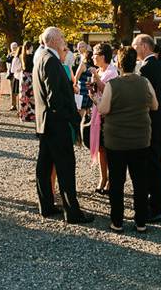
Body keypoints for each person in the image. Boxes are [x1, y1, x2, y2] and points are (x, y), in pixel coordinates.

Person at [93, 45, 158, 233]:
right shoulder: (144, 82)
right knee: (140, 181)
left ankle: (117, 221)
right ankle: (140, 221)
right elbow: (155, 105)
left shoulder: (113, 85)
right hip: (140, 138)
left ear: (119, 64)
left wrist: (96, 100)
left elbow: (104, 109)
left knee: (117, 181)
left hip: (117, 140)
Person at [34, 27, 92, 224]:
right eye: (62, 38)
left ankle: (47, 206)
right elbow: (54, 97)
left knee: (44, 165)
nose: (64, 41)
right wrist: (70, 116)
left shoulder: (40, 57)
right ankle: (72, 212)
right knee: (66, 166)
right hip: (56, 123)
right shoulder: (50, 60)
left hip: (45, 122)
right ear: (54, 40)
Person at [132, 34, 161, 223]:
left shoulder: (147, 68)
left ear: (145, 46)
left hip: (151, 124)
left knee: (153, 166)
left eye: (135, 45)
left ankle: (157, 208)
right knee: (155, 165)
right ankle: (156, 205)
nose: (133, 48)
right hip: (160, 123)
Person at [88, 43, 118, 194]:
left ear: (103, 56)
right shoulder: (99, 70)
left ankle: (111, 180)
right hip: (97, 111)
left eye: (95, 54)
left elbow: (107, 90)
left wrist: (96, 77)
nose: (92, 57)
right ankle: (102, 177)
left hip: (108, 114)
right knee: (101, 148)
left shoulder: (112, 72)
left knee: (109, 148)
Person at [74, 48, 94, 121]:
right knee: (87, 114)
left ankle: (79, 130)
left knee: (80, 114)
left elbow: (76, 78)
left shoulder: (83, 65)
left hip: (82, 92)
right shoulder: (94, 67)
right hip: (90, 91)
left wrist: (75, 87)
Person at [18, 42, 36, 123]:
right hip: (31, 77)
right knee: (31, 97)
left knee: (24, 97)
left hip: (24, 77)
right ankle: (31, 115)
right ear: (30, 47)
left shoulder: (22, 56)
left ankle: (23, 116)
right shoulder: (33, 56)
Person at [7, 42, 21, 112]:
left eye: (15, 47)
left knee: (19, 90)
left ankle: (20, 104)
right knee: (12, 90)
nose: (14, 49)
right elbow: (8, 61)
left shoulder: (19, 54)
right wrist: (11, 55)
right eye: (13, 47)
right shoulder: (9, 55)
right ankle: (13, 104)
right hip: (11, 74)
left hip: (18, 74)